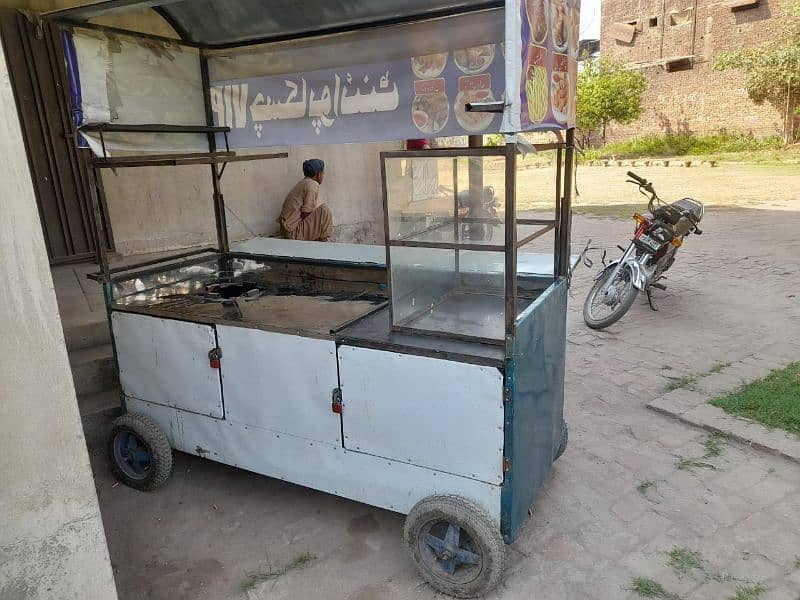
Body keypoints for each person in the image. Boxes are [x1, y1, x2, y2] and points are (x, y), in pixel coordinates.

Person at [277, 159, 333, 241]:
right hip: (294, 232)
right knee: (324, 210)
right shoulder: (312, 185)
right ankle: (323, 241)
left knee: (319, 214)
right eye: (323, 173)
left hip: (288, 230)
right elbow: (305, 214)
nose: (323, 176)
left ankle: (321, 239)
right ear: (318, 174)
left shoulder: (303, 182)